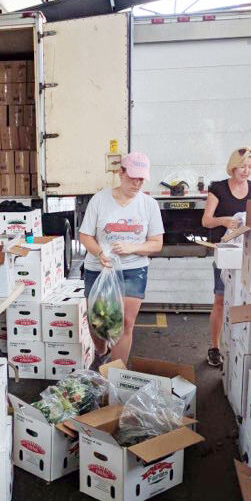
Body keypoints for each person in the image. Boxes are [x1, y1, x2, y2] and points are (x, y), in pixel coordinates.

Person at [80, 152, 164, 366]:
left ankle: (115, 374)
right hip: (99, 269)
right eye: (133, 177)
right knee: (97, 322)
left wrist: (133, 247)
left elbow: (156, 243)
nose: (138, 183)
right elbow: (85, 236)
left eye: (142, 179)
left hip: (133, 269)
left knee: (125, 323)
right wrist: (99, 253)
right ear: (121, 173)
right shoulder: (100, 199)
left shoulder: (149, 204)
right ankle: (101, 352)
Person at [202, 147, 251, 368]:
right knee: (220, 300)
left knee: (248, 300)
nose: (246, 171)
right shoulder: (218, 189)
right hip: (226, 253)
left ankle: (245, 347)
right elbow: (206, 220)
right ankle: (214, 347)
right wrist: (224, 220)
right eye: (242, 166)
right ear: (233, 166)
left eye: (250, 167)